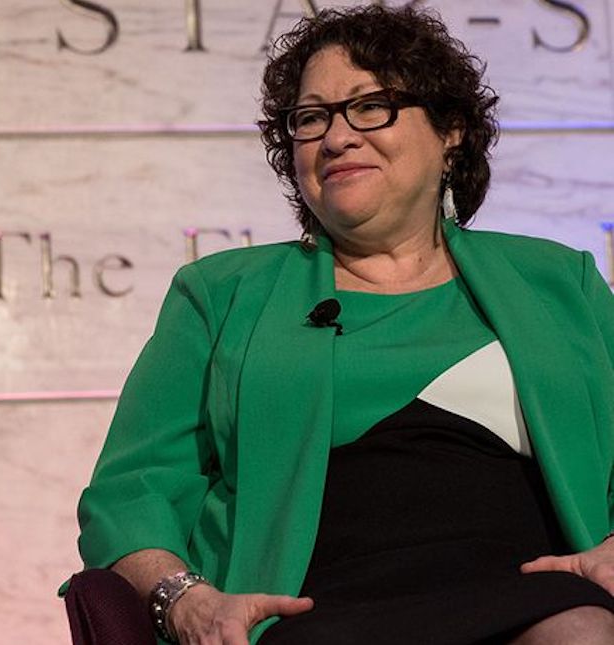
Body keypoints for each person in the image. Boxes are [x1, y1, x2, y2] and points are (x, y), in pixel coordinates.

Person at [74, 6, 614, 645]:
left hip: (530, 594)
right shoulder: (220, 294)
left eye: (369, 107)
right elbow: (129, 494)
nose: (336, 137)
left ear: (452, 131)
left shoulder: (558, 280)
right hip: (312, 614)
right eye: (311, 118)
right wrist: (186, 600)